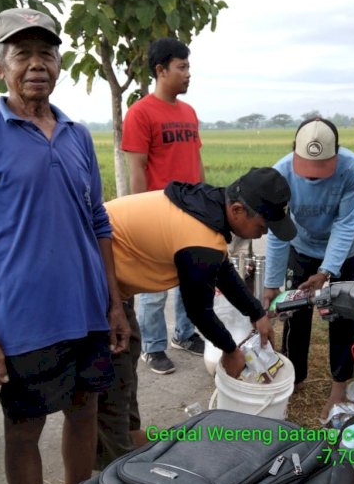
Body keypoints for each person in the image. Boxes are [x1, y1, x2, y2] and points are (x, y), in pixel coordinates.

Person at [0, 8, 130, 484]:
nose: (36, 64)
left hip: (87, 311)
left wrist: (114, 304)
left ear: (58, 63)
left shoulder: (77, 135)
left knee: (84, 411)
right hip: (22, 318)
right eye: (22, 53)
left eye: (45, 53)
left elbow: (99, 223)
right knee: (24, 429)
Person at [96, 167, 296, 465]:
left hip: (113, 285)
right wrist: (230, 350)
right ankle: (115, 465)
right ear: (238, 210)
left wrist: (257, 313)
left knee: (129, 353)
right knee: (113, 370)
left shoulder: (210, 206)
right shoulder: (200, 237)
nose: (265, 233)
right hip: (92, 280)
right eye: (264, 225)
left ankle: (130, 434)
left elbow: (223, 271)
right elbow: (199, 311)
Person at [262, 117, 354, 420]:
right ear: (295, 151)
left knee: (343, 316)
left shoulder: (352, 169)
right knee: (295, 313)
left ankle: (338, 386)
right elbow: (279, 232)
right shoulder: (281, 173)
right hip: (302, 247)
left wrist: (327, 271)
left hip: (345, 253)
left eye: (321, 171)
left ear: (336, 154)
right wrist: (271, 285)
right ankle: (293, 375)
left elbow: (346, 224)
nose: (314, 180)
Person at [121, 37, 205, 376]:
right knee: (155, 285)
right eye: (181, 67)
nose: (188, 74)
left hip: (191, 212)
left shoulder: (189, 112)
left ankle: (184, 334)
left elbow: (196, 159)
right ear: (160, 70)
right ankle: (152, 346)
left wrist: (205, 201)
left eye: (188, 67)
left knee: (190, 277)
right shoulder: (140, 113)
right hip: (157, 212)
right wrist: (140, 216)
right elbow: (136, 168)